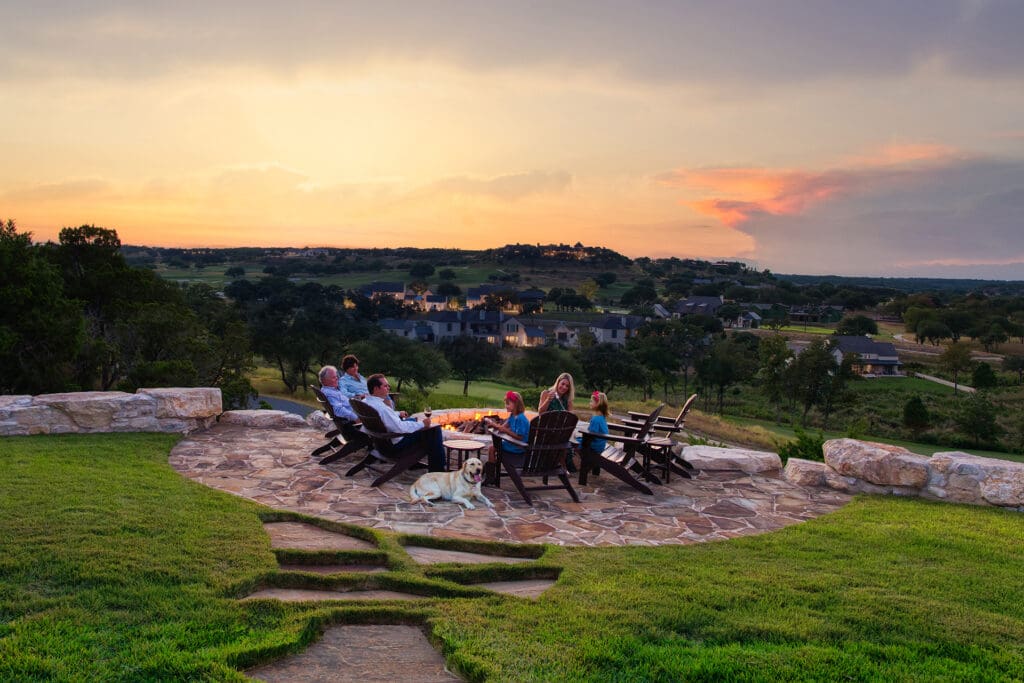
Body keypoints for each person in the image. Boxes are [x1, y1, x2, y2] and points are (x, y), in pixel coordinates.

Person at [363, 373, 446, 471]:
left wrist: (398, 413)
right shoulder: (382, 408)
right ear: (376, 389)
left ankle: (413, 462)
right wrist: (423, 424)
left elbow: (385, 417)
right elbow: (400, 427)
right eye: (385, 386)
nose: (388, 388)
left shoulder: (366, 402)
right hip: (394, 446)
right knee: (434, 430)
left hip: (380, 444)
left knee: (412, 420)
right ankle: (438, 469)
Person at [483, 391, 531, 462]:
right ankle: (492, 467)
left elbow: (520, 437)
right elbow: (502, 428)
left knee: (492, 449)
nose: (506, 406)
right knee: (492, 448)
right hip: (513, 444)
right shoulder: (512, 416)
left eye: (508, 404)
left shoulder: (521, 418)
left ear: (516, 404)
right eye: (505, 404)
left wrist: (506, 431)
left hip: (518, 447)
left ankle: (492, 468)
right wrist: (492, 424)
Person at [573, 391, 609, 473]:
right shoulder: (601, 417)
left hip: (594, 446)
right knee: (577, 438)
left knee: (573, 442)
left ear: (597, 404)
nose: (590, 403)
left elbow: (590, 435)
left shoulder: (595, 419)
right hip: (600, 444)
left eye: (591, 401)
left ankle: (579, 464)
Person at [318, 365, 360, 434]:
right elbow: (339, 410)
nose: (337, 379)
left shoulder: (330, 390)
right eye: (334, 377)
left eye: (336, 376)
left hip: (356, 411)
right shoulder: (330, 393)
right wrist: (356, 418)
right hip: (354, 420)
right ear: (325, 380)